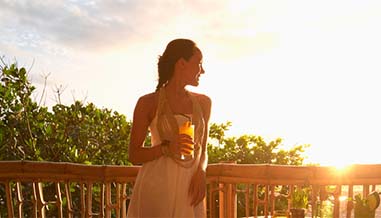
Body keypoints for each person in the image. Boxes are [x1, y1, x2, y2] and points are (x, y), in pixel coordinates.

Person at [127, 38, 212, 218]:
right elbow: (134, 155)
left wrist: (201, 172)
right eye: (199, 63)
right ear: (181, 63)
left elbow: (203, 150)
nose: (202, 70)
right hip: (157, 187)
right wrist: (166, 148)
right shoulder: (147, 103)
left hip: (190, 189)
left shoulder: (204, 103)